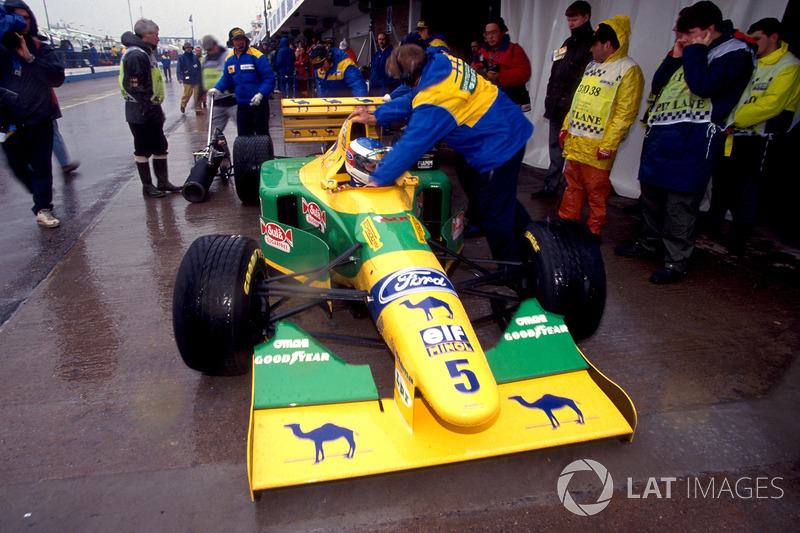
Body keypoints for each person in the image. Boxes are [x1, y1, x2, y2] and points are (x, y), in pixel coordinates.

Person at [348, 44, 533, 262]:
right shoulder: (440, 62)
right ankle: (533, 237)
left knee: (495, 212)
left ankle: (512, 269)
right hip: (502, 126)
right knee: (486, 190)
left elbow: (412, 144)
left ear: (409, 76)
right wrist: (376, 116)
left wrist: (378, 179)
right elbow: (414, 99)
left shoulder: (436, 100)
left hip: (500, 145)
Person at [614, 1, 755, 284]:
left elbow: (704, 85)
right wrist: (676, 55)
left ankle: (675, 260)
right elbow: (658, 85)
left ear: (710, 29)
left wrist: (694, 50)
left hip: (695, 137)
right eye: (680, 34)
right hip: (664, 132)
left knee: (680, 202)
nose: (682, 38)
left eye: (688, 33)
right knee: (651, 194)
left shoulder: (736, 53)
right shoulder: (688, 50)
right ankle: (649, 243)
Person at [707, 17, 800, 253]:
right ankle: (712, 226)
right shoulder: (750, 59)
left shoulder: (789, 65)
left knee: (746, 187)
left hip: (759, 138)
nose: (753, 44)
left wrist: (732, 118)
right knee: (720, 181)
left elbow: (772, 105)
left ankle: (739, 237)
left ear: (774, 37)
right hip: (732, 133)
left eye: (757, 39)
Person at [557, 16, 644, 242]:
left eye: (595, 45)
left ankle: (594, 229)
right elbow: (578, 100)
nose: (591, 49)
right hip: (577, 141)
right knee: (572, 187)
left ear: (608, 44)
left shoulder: (628, 70)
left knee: (596, 191)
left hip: (597, 146)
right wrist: (566, 128)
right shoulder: (592, 67)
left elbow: (626, 113)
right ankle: (568, 224)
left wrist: (609, 144)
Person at [0, 0, 65, 227]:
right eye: (17, 18)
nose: (22, 23)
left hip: (40, 118)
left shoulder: (40, 47)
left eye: (26, 18)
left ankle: (43, 207)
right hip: (9, 123)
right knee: (16, 165)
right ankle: (39, 191)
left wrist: (29, 57)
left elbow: (57, 78)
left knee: (41, 166)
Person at [534, 0, 594, 199]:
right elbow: (555, 71)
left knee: (573, 153)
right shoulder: (567, 44)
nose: (571, 24)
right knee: (555, 148)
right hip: (557, 106)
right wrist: (549, 97)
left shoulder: (591, 45)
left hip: (574, 108)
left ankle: (570, 192)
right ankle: (551, 188)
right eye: (569, 20)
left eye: (574, 19)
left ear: (586, 17)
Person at [119, 18, 181, 198]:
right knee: (143, 148)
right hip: (140, 110)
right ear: (147, 34)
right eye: (156, 34)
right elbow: (135, 86)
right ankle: (148, 186)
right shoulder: (136, 55)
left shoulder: (146, 53)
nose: (158, 38)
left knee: (160, 145)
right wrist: (146, 108)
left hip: (151, 108)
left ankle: (162, 182)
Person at [206, 27, 274, 137]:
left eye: (242, 39)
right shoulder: (230, 59)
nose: (240, 42)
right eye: (237, 40)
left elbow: (269, 78)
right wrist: (217, 88)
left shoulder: (257, 56)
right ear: (232, 42)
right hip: (242, 105)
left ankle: (266, 155)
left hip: (259, 103)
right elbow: (227, 79)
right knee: (244, 137)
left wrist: (261, 94)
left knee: (262, 136)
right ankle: (248, 155)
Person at [478, 16, 532, 113]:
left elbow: (524, 74)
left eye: (494, 32)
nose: (490, 37)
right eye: (487, 33)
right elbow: (472, 71)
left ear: (503, 32)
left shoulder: (514, 49)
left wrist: (500, 75)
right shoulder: (482, 52)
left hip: (510, 104)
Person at [199, 35, 236, 134]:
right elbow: (203, 78)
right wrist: (201, 94)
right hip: (216, 102)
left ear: (216, 45)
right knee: (213, 133)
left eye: (211, 49)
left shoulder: (229, 56)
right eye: (207, 50)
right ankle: (218, 148)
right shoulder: (205, 60)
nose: (209, 52)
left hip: (233, 100)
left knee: (244, 129)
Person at [369, 32, 399, 97]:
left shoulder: (391, 52)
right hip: (375, 84)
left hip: (385, 85)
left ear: (387, 40)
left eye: (383, 39)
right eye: (379, 39)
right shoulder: (377, 53)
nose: (381, 41)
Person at [177, 41, 201, 113]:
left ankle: (198, 108)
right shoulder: (181, 58)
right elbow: (178, 68)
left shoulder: (195, 57)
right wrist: (179, 77)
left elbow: (199, 68)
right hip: (187, 78)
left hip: (196, 78)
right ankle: (183, 104)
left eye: (189, 47)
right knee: (187, 93)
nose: (188, 49)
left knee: (197, 95)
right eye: (187, 48)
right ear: (184, 49)